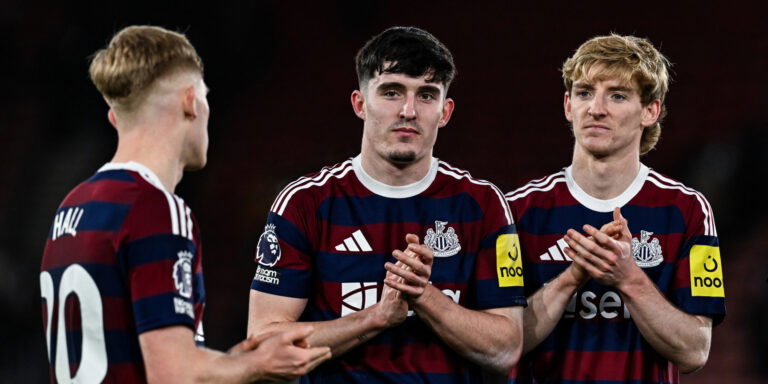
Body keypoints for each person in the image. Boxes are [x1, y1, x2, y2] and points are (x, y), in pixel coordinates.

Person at [40, 25, 330, 383]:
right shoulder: (156, 209)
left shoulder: (71, 207)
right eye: (206, 95)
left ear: (116, 118)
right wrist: (257, 365)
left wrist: (227, 362)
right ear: (191, 101)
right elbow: (172, 375)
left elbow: (129, 354)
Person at [248, 26, 526, 383]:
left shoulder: (484, 205)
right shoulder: (305, 203)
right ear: (360, 104)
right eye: (392, 92)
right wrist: (376, 317)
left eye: (426, 95)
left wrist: (424, 296)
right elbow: (263, 343)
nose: (409, 111)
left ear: (445, 112)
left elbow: (505, 349)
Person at [505, 34, 725, 383]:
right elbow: (500, 350)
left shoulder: (687, 211)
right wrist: (572, 277)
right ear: (567, 105)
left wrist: (628, 277)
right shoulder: (518, 210)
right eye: (584, 92)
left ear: (650, 111)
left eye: (617, 95)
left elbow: (694, 352)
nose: (596, 108)